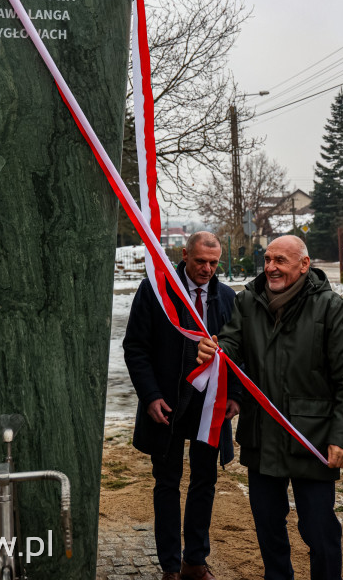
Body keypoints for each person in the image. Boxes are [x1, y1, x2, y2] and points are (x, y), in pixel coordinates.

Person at [197, 235, 343, 580]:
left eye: (281, 261)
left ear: (304, 265)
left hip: (314, 441)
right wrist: (216, 350)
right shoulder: (247, 301)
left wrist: (342, 439)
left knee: (320, 532)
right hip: (262, 436)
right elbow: (233, 343)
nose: (271, 267)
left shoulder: (332, 309)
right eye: (268, 259)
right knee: (268, 530)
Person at [123, 231, 240, 580]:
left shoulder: (228, 298)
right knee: (167, 482)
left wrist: (234, 393)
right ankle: (170, 567)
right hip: (167, 404)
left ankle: (194, 561)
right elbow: (136, 347)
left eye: (214, 263)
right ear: (185, 254)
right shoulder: (155, 291)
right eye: (201, 261)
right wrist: (150, 396)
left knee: (204, 481)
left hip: (210, 407)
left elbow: (239, 350)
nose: (207, 269)